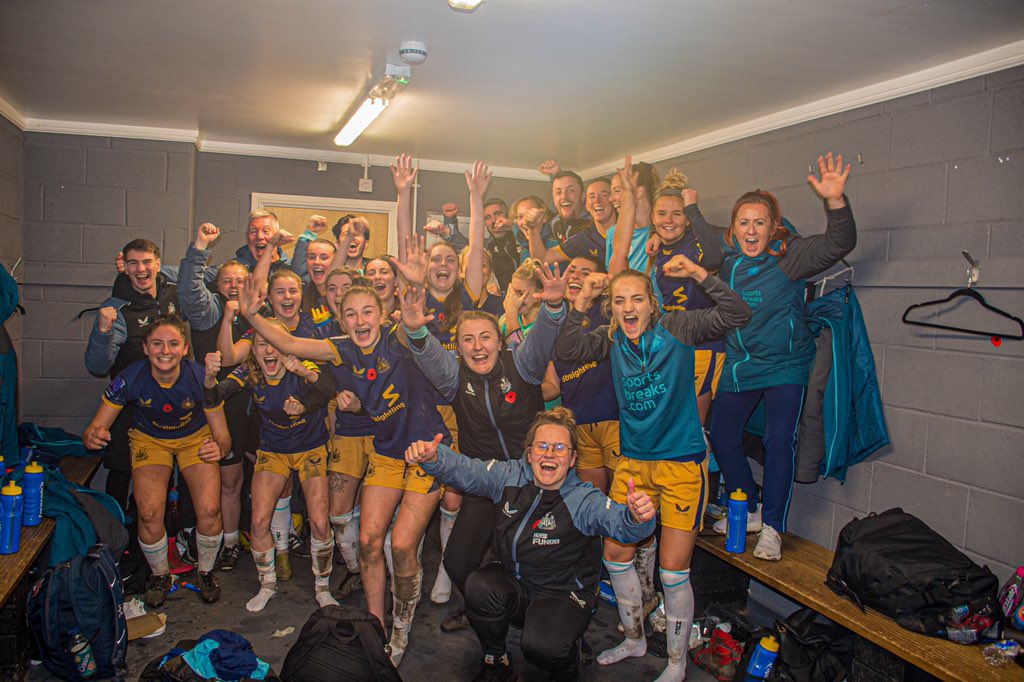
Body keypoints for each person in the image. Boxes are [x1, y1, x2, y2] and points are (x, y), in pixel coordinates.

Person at [236, 276, 451, 667]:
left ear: (382, 315)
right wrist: (252, 315)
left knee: (402, 545)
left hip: (429, 452)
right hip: (387, 453)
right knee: (368, 542)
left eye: (367, 312)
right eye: (351, 314)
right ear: (341, 320)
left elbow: (419, 338)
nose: (360, 320)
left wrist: (414, 313)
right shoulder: (342, 349)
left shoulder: (397, 340)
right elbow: (289, 343)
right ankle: (377, 628)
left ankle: (401, 629)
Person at [556, 260, 751, 682]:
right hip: (633, 467)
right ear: (611, 308)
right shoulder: (611, 338)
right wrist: (582, 300)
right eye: (619, 300)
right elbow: (568, 350)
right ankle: (634, 639)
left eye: (637, 299)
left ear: (652, 304)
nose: (628, 308)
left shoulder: (678, 328)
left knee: (672, 571)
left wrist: (699, 274)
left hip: (681, 466)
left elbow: (738, 313)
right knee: (616, 556)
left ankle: (677, 664)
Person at [405, 408, 657, 682]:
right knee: (479, 586)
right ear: (529, 453)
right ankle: (495, 660)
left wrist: (637, 518)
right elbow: (468, 470)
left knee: (541, 648)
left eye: (560, 448)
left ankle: (567, 663)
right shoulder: (509, 476)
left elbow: (620, 523)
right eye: (542, 446)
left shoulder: (582, 499)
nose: (550, 454)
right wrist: (435, 458)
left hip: (562, 592)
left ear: (573, 458)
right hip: (516, 582)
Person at [689, 152, 857, 561]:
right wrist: (691, 208)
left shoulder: (789, 256)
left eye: (760, 223)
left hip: (785, 365)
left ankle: (774, 526)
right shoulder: (727, 259)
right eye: (744, 222)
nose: (751, 230)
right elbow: (706, 237)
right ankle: (746, 507)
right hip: (741, 365)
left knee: (779, 440)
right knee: (722, 437)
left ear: (772, 227)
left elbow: (839, 243)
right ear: (734, 228)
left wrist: (835, 201)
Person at [399, 245, 568, 634]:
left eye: (486, 337)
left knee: (531, 562)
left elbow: (543, 339)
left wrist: (554, 308)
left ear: (500, 340)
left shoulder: (522, 364)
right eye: (468, 340)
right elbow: (426, 352)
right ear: (458, 348)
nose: (478, 347)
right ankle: (486, 608)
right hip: (484, 483)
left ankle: (537, 620)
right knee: (457, 561)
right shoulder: (454, 376)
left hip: (532, 482)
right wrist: (414, 328)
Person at [83, 316, 230, 608]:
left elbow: (223, 437)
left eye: (173, 344)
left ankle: (206, 572)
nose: (165, 351)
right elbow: (95, 428)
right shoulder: (131, 376)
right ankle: (160, 575)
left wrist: (220, 449)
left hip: (194, 439)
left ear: (184, 349)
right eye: (157, 344)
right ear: (146, 348)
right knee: (149, 513)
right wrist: (93, 436)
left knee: (210, 510)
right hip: (150, 440)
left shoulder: (200, 377)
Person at [203, 332, 339, 612]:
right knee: (258, 522)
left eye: (275, 344)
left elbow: (329, 388)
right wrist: (209, 378)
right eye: (262, 345)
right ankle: (267, 585)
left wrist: (304, 374)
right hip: (273, 450)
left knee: (319, 521)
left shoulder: (299, 363)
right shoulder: (250, 371)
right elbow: (216, 395)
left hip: (311, 447)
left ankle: (322, 588)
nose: (269, 351)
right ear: (254, 351)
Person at [176, 222, 254, 570]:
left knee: (232, 479)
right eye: (227, 281)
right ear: (217, 285)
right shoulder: (209, 309)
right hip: (203, 403)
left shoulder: (254, 316)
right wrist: (199, 247)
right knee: (199, 476)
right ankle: (197, 537)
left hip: (236, 405)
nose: (234, 286)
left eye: (240, 281)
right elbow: (189, 290)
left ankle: (231, 542)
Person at [85, 239, 180, 511]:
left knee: (164, 471)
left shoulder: (173, 293)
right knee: (121, 470)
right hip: (129, 404)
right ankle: (115, 530)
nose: (141, 269)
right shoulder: (116, 308)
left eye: (147, 262)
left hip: (169, 402)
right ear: (124, 267)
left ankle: (152, 527)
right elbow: (97, 366)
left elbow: (208, 275)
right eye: (133, 263)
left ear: (158, 264)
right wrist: (103, 331)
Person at [649, 170, 726, 425]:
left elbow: (715, 257)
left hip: (703, 346)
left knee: (692, 425)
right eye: (662, 214)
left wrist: (693, 208)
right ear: (652, 218)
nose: (668, 220)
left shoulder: (696, 244)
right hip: (674, 345)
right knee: (672, 421)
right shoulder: (658, 249)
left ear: (688, 220)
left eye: (678, 214)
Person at [551, 255, 620, 493]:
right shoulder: (554, 319)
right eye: (572, 270)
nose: (576, 276)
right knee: (592, 499)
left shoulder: (607, 313)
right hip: (578, 424)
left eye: (585, 272)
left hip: (614, 420)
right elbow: (551, 383)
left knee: (624, 497)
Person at [526, 178, 617, 266]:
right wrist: (533, 229)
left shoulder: (625, 232)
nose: (597, 201)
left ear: (614, 199)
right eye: (592, 197)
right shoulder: (584, 239)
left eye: (604, 195)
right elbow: (542, 258)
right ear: (586, 205)